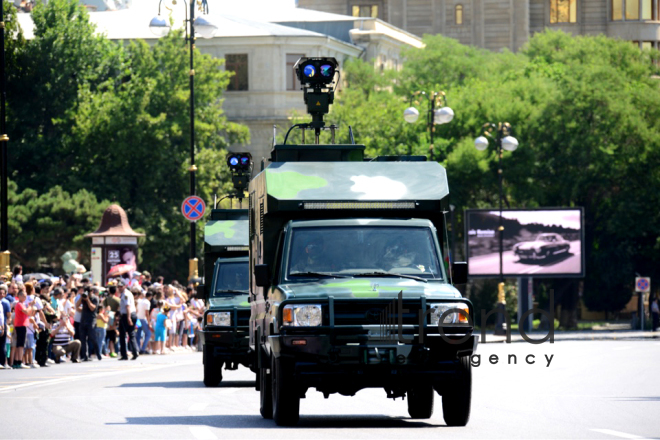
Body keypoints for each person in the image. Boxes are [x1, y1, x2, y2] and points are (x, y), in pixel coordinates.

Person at [78, 286, 101, 361]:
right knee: (83, 339)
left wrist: (87, 300)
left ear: (92, 291)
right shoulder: (84, 297)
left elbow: (92, 308)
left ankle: (98, 354)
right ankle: (85, 356)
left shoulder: (95, 298)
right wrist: (82, 297)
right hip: (83, 319)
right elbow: (77, 305)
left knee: (92, 338)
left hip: (91, 320)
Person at [118, 280, 139, 360]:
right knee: (131, 333)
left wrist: (128, 318)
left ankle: (124, 354)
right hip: (130, 314)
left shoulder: (126, 294)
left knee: (123, 335)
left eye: (121, 286)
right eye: (119, 287)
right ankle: (135, 351)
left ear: (125, 286)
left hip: (127, 315)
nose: (120, 288)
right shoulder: (126, 293)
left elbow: (128, 307)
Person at [12, 289, 32, 369]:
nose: (25, 297)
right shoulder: (19, 304)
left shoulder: (23, 304)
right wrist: (31, 306)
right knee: (20, 345)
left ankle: (17, 361)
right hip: (21, 325)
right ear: (19, 296)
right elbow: (27, 312)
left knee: (20, 344)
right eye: (23, 296)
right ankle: (19, 361)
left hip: (22, 325)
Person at [136, 290, 151, 354]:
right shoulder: (147, 302)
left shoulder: (139, 301)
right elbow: (147, 313)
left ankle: (138, 348)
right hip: (143, 319)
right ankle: (143, 348)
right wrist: (149, 322)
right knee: (148, 334)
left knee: (138, 335)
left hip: (138, 318)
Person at [0, 285, 10, 368]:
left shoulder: (5, 302)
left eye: (2, 293)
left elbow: (6, 316)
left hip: (2, 326)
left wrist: (4, 326)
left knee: (3, 344)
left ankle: (3, 362)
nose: (1, 295)